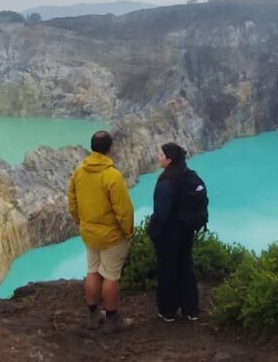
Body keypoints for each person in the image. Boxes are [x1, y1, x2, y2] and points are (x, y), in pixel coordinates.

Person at [67, 130, 134, 334]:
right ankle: (113, 319)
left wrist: (81, 222)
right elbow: (123, 209)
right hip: (112, 236)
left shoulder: (79, 171)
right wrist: (128, 232)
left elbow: (73, 202)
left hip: (89, 233)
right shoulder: (112, 175)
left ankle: (93, 315)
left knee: (93, 271)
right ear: (109, 148)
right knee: (111, 276)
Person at [147, 142, 201, 322]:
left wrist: (153, 232)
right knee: (185, 267)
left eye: (161, 155)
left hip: (169, 233)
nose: (158, 157)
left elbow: (161, 214)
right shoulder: (187, 175)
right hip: (186, 230)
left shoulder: (166, 182)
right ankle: (191, 309)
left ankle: (168, 310)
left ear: (169, 160)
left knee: (167, 269)